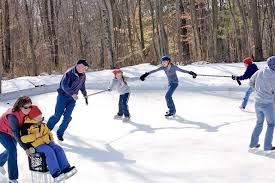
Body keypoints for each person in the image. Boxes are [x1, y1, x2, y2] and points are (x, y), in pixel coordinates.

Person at [20, 106, 77, 182]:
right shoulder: (26, 126)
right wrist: (34, 136)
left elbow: (49, 133)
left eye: (41, 117)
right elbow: (23, 139)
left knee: (58, 149)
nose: (41, 119)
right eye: (38, 117)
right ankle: (55, 172)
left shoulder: (42, 124)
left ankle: (65, 168)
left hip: (47, 142)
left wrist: (51, 141)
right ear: (32, 117)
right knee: (49, 151)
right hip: (36, 145)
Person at [47, 59, 89, 141]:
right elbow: (64, 85)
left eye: (85, 68)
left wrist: (85, 95)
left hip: (72, 99)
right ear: (77, 65)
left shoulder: (83, 75)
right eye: (83, 67)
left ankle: (60, 133)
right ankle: (46, 131)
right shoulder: (69, 73)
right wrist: (72, 94)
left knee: (67, 117)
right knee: (57, 116)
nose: (84, 70)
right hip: (63, 97)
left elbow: (82, 86)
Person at [0, 96, 34, 183]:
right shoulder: (12, 117)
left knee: (10, 150)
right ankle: (12, 178)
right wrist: (26, 148)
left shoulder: (26, 112)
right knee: (12, 150)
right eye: (26, 107)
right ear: (20, 107)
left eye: (30, 106)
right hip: (2, 131)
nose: (29, 109)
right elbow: (16, 134)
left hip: (11, 131)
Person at [249, 56, 275, 151]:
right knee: (271, 124)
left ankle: (253, 144)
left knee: (259, 123)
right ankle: (267, 146)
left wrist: (256, 91)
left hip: (257, 103)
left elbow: (251, 82)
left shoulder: (260, 71)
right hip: (268, 104)